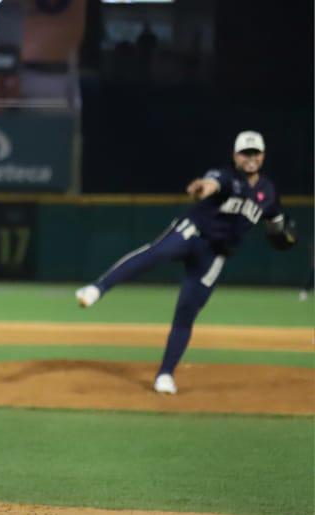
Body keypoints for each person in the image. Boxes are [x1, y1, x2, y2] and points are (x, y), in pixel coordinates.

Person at [76, 131, 297, 394]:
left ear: (263, 155)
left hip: (215, 255)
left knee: (187, 312)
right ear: (235, 156)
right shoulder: (226, 175)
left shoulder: (269, 191)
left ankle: (165, 374)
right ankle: (97, 289)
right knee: (153, 254)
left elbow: (275, 223)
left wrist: (282, 234)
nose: (250, 158)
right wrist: (202, 187)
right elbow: (212, 183)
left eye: (255, 153)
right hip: (191, 233)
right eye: (245, 153)